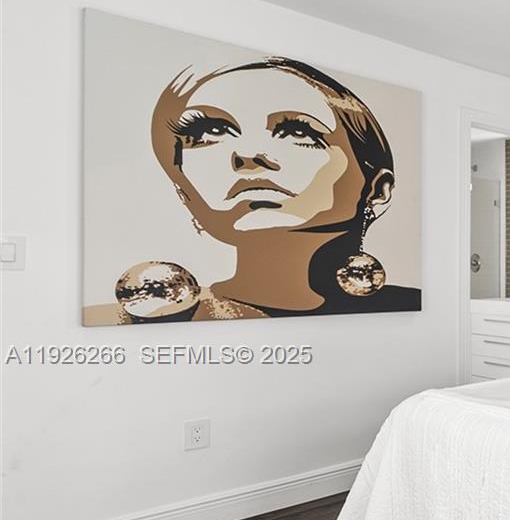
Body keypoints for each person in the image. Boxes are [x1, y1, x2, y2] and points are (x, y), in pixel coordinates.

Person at [85, 56, 419, 324]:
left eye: (297, 132)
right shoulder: (126, 319)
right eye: (210, 132)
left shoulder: (411, 305)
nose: (247, 155)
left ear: (377, 189)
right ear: (182, 189)